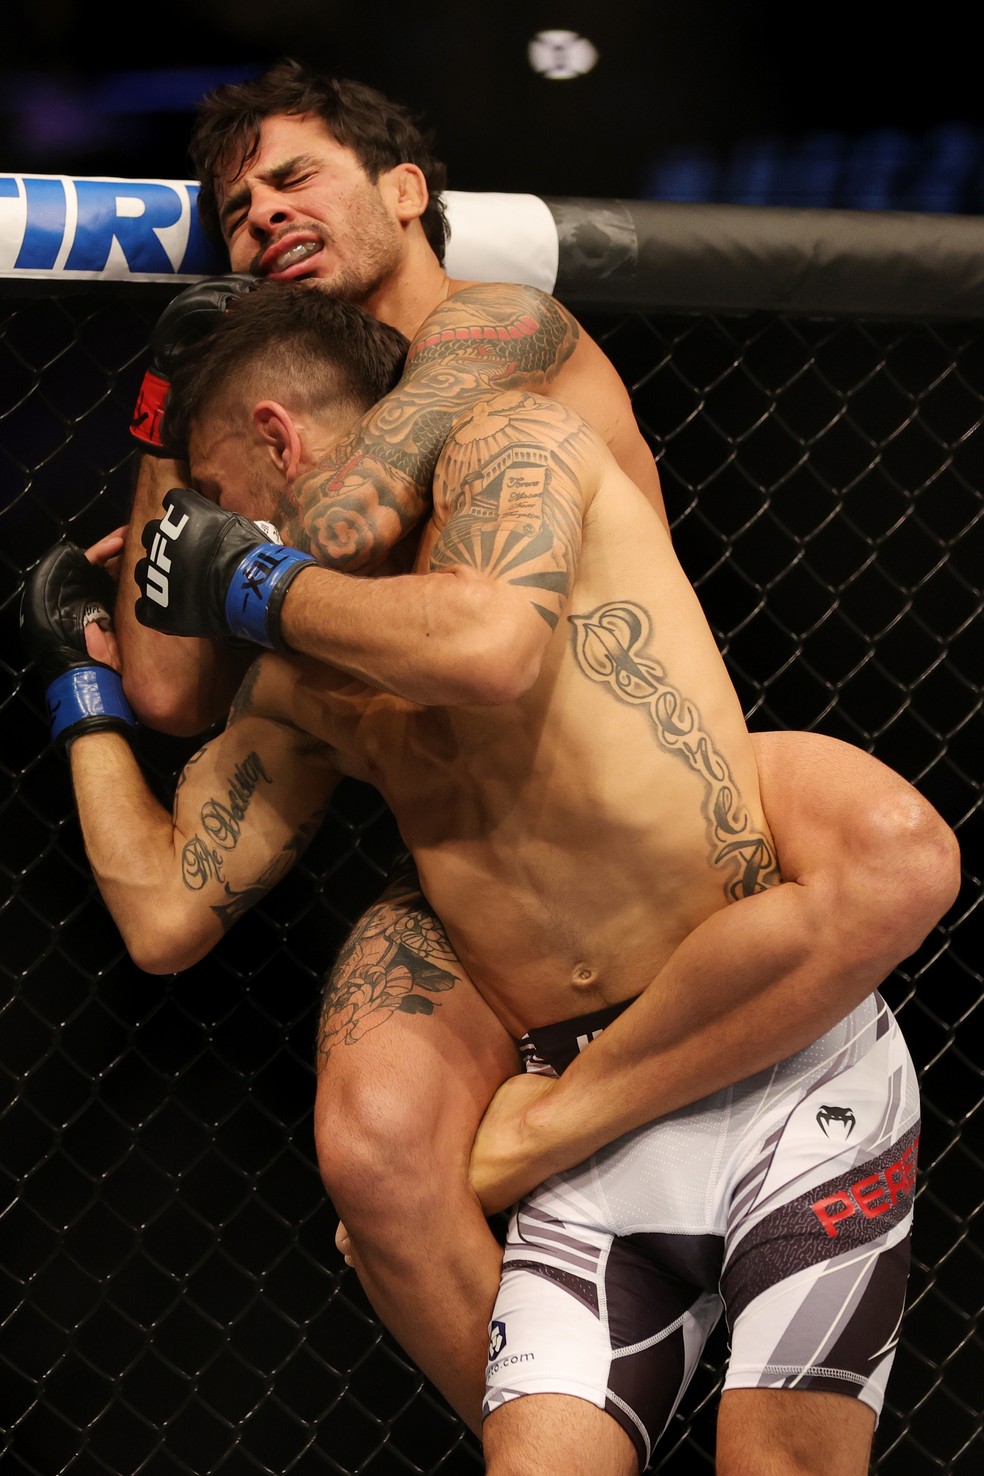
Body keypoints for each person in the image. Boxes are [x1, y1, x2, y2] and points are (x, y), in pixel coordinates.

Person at [107, 62, 960, 1450]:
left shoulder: (493, 337)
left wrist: (221, 551)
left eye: (294, 177)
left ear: (406, 189)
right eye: (237, 209)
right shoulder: (297, 427)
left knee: (893, 854)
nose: (260, 215)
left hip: (637, 761)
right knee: (377, 1142)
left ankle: (557, 1129)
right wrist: (172, 392)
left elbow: (344, 536)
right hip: (489, 832)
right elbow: (163, 686)